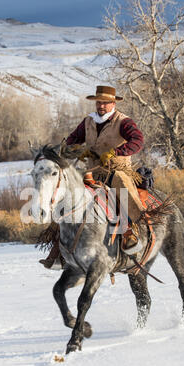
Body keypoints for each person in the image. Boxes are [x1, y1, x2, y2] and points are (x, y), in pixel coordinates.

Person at [39, 85, 146, 269]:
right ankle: (59, 246)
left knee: (121, 185)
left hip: (117, 170)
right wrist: (75, 150)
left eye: (105, 102)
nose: (101, 106)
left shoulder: (124, 122)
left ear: (113, 103)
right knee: (66, 194)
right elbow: (71, 141)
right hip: (91, 172)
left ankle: (131, 232)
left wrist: (115, 152)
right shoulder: (88, 122)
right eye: (99, 102)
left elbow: (138, 141)